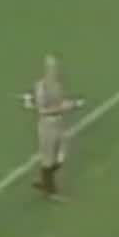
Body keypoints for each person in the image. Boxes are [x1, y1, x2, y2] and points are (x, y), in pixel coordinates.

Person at [31, 53, 79, 200]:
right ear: (46, 69)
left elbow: (60, 102)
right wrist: (63, 108)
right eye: (52, 68)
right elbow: (41, 110)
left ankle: (45, 181)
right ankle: (50, 189)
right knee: (48, 157)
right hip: (47, 124)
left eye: (56, 68)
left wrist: (70, 104)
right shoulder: (41, 87)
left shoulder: (58, 84)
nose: (55, 71)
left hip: (59, 122)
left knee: (62, 154)